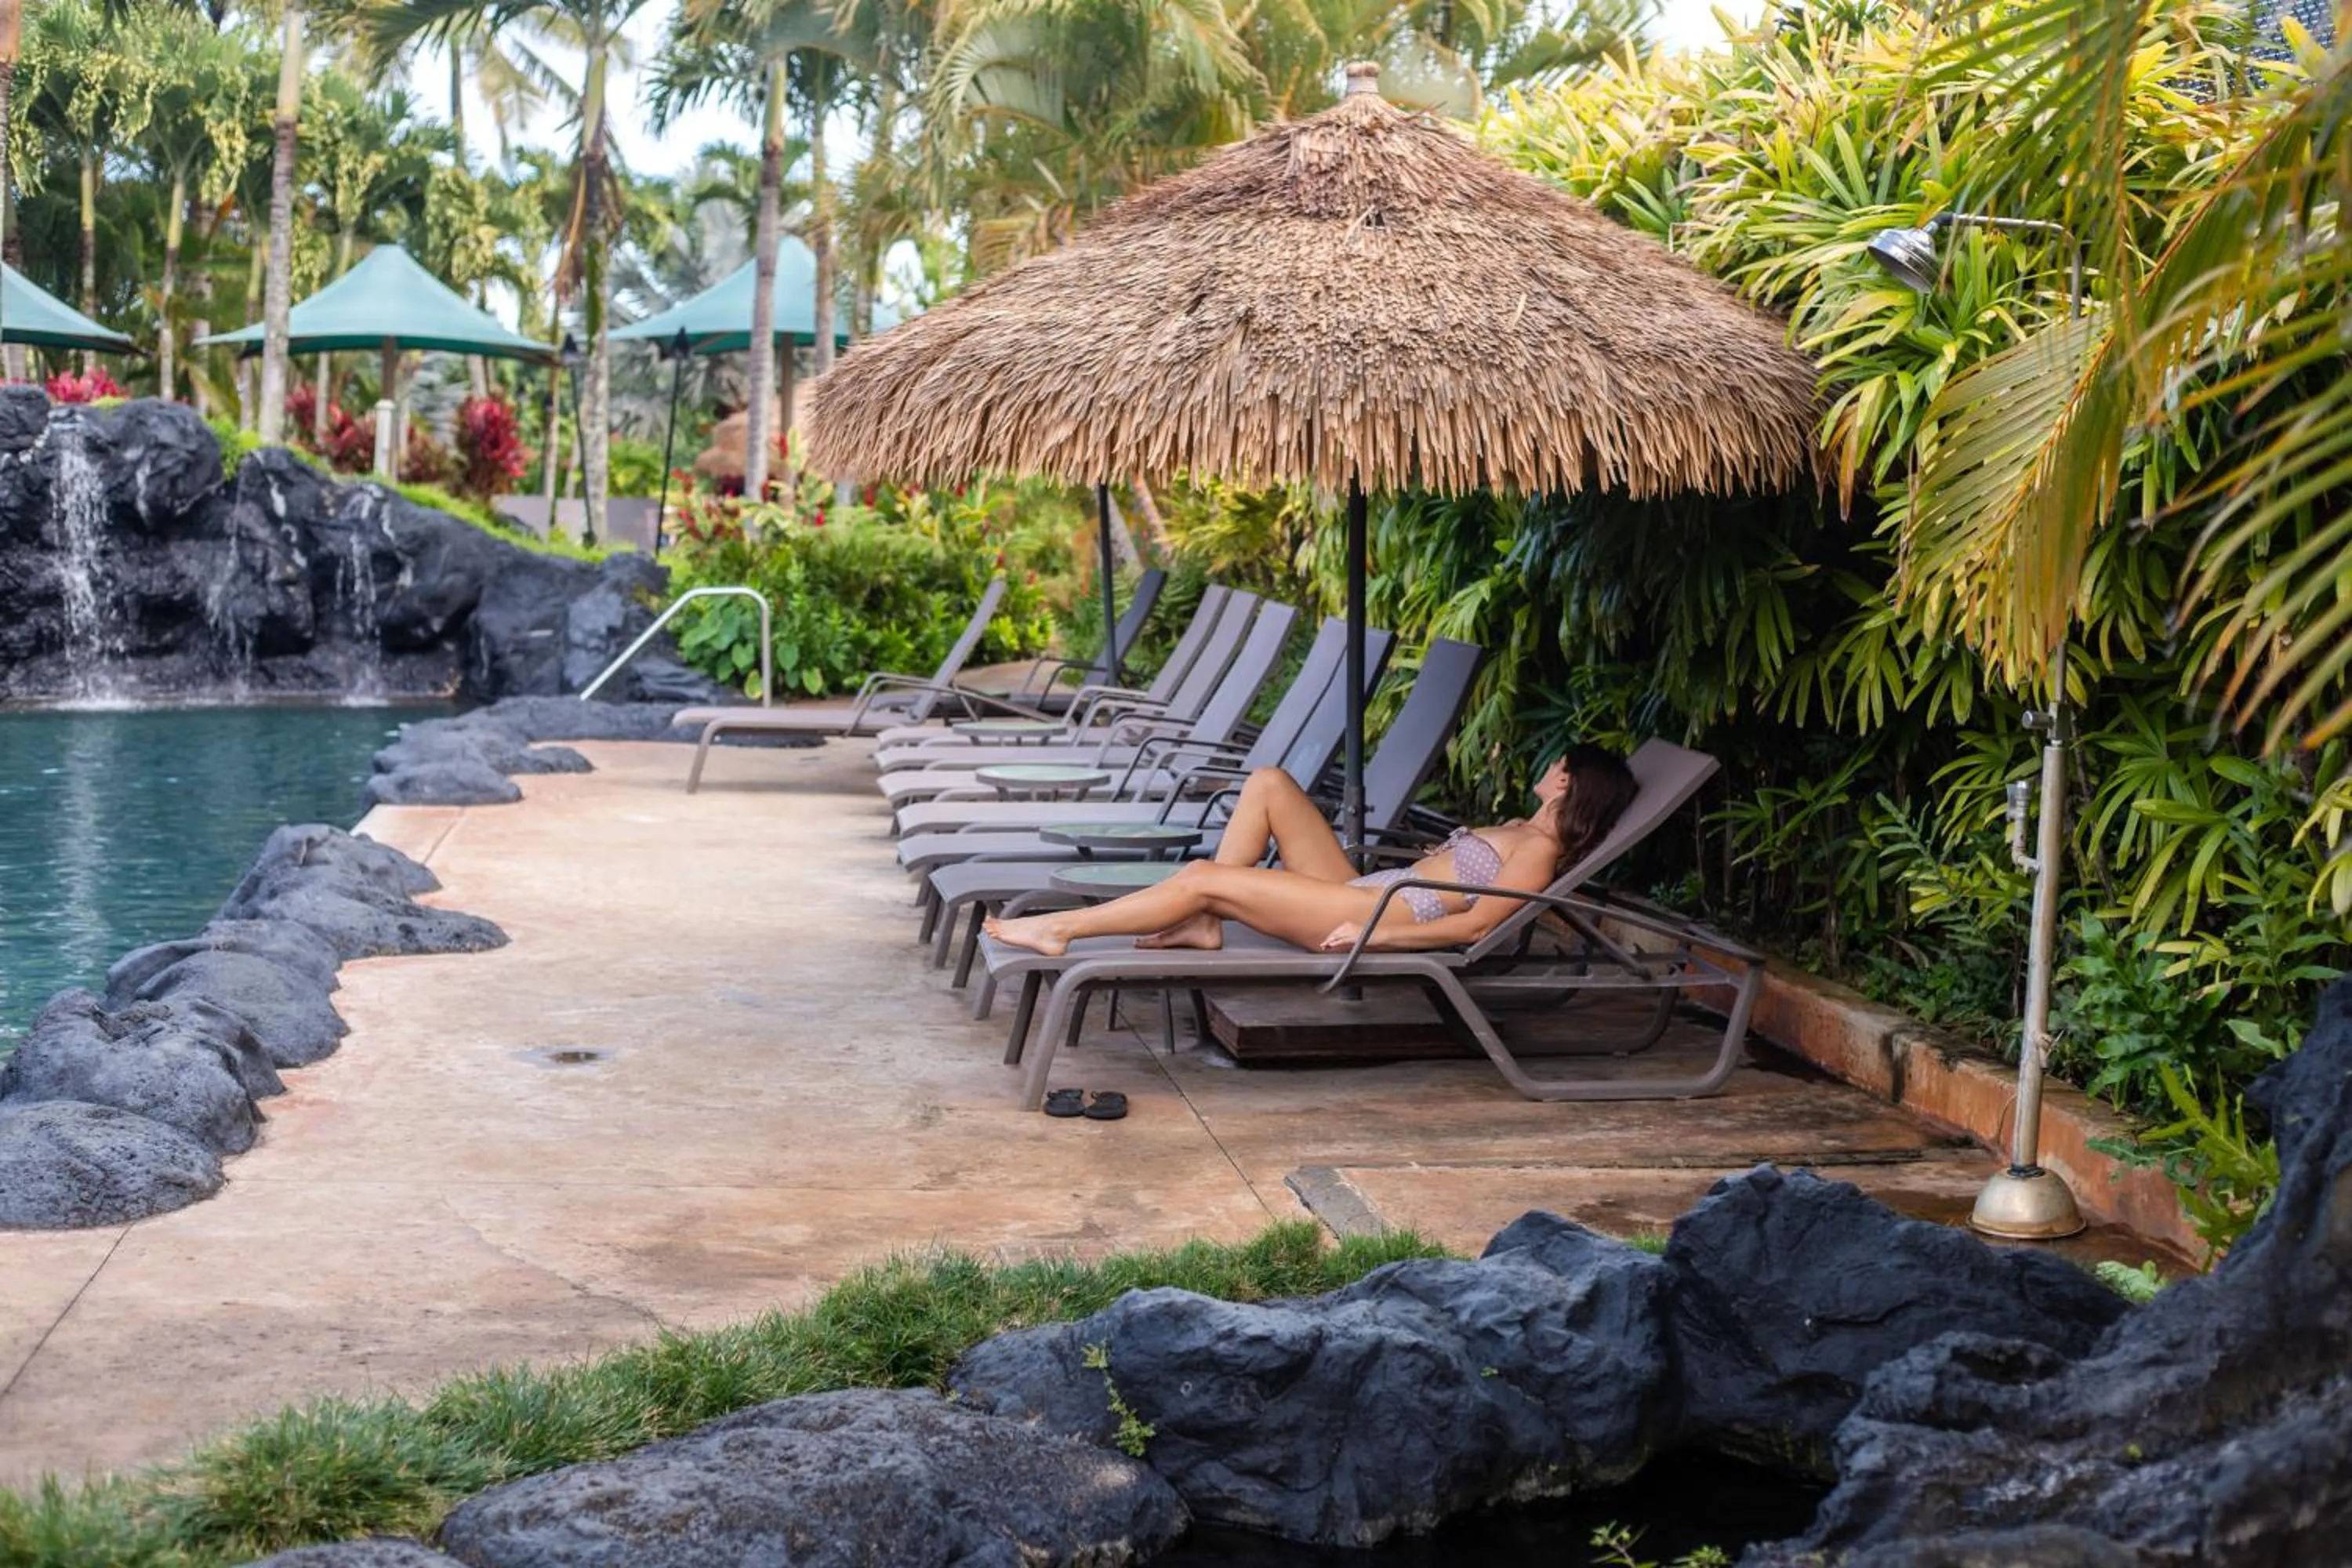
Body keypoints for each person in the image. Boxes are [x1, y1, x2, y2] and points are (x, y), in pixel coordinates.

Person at [985, 744, 1640, 958]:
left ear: (1567, 782)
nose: (1548, 766)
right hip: (1370, 890)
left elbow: (1475, 926)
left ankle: (1060, 928)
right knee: (1269, 783)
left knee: (1203, 873)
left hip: (1373, 914)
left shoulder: (1538, 851)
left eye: (1557, 765)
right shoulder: (1522, 828)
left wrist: (1374, 936)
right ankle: (1206, 919)